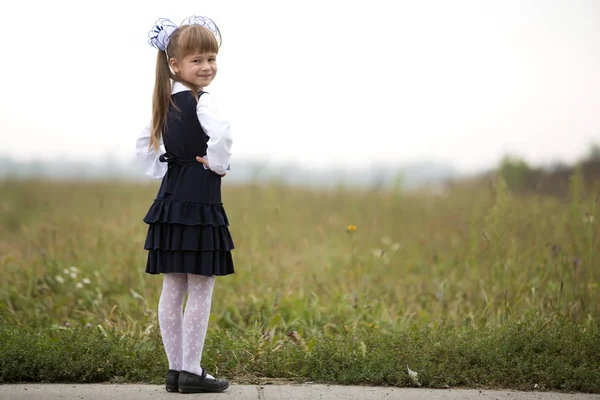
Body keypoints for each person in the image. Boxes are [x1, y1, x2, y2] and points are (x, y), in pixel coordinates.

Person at [135, 15, 234, 394]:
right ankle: (191, 369)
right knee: (201, 285)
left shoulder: (165, 101)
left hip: (170, 195)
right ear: (175, 64)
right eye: (197, 60)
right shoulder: (202, 101)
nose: (206, 67)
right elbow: (223, 136)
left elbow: (145, 145)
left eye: (211, 58)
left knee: (173, 285)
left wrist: (162, 170)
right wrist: (219, 165)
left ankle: (176, 370)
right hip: (199, 195)